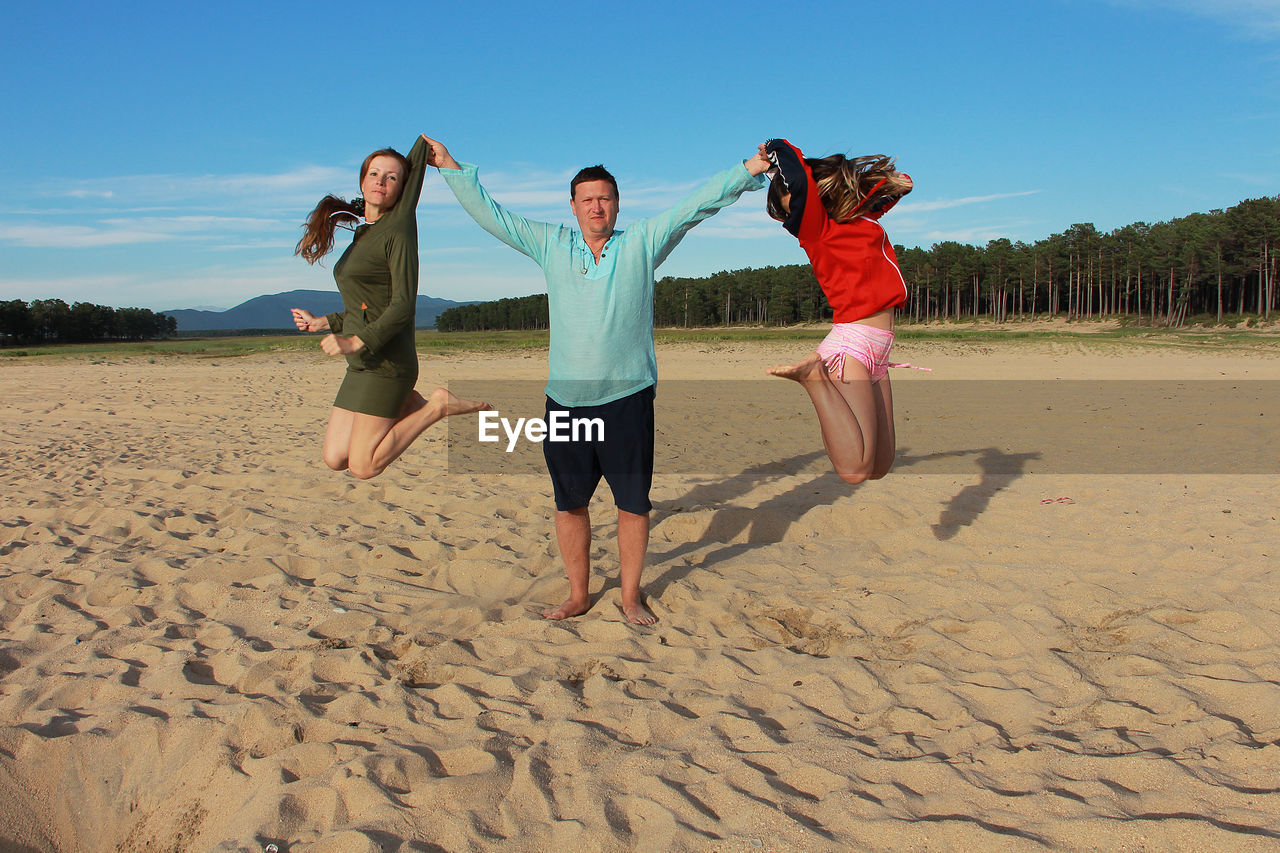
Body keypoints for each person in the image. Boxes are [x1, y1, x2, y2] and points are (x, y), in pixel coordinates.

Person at [421, 135, 771, 624]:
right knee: (570, 504)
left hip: (626, 398)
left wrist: (750, 167)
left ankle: (630, 596)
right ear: (572, 206)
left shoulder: (641, 243)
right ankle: (579, 594)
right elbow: (492, 216)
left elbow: (696, 205)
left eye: (604, 197)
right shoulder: (550, 243)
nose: (596, 206)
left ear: (617, 203)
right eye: (587, 199)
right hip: (565, 401)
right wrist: (450, 168)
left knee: (632, 504)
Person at [291, 137, 487, 479]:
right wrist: (325, 322)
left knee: (364, 466)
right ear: (362, 180)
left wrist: (354, 341)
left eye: (392, 177)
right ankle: (411, 404)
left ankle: (437, 405)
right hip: (361, 364)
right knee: (335, 457)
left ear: (402, 188)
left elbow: (401, 307)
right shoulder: (364, 233)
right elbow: (369, 306)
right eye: (375, 173)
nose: (381, 181)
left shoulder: (398, 227)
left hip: (388, 363)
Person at [763, 139, 915, 484]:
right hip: (852, 344)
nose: (792, 215)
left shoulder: (857, 219)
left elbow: (901, 184)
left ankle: (818, 378)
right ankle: (814, 379)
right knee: (855, 471)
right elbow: (798, 177)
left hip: (878, 347)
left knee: (879, 466)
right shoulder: (816, 231)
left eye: (791, 206)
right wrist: (775, 150)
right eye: (788, 211)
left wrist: (884, 183)